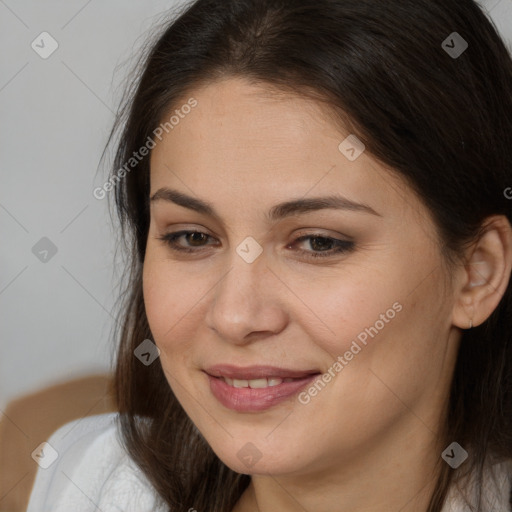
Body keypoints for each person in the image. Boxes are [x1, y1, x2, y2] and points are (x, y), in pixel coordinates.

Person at [27, 0, 512, 510]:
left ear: (477, 272)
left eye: (318, 242)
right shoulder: (90, 480)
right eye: (192, 237)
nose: (234, 316)